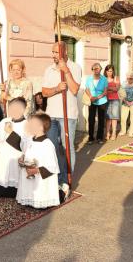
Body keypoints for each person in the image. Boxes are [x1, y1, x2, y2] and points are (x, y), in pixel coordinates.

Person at [42, 42, 82, 190]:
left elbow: (74, 89)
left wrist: (67, 72)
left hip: (68, 115)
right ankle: (56, 176)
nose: (53, 55)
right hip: (51, 115)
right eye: (52, 52)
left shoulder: (75, 67)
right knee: (52, 146)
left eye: (56, 52)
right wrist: (57, 89)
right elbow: (44, 92)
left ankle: (67, 179)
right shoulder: (49, 69)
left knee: (67, 147)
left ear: (65, 52)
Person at [16, 113, 60, 208]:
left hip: (40, 177)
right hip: (30, 173)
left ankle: (54, 196)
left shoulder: (47, 144)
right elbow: (26, 153)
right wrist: (22, 158)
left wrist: (35, 170)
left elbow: (52, 166)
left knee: (40, 203)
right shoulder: (30, 140)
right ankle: (29, 198)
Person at [84, 62, 108, 144]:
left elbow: (105, 92)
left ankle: (99, 138)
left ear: (100, 69)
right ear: (92, 70)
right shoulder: (89, 79)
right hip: (92, 101)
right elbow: (86, 89)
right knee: (91, 119)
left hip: (102, 101)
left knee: (101, 120)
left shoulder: (104, 79)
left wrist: (97, 97)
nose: (96, 70)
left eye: (97, 68)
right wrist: (91, 97)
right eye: (94, 69)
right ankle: (91, 138)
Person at [119, 72, 133, 138]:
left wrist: (132, 102)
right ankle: (123, 131)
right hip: (125, 102)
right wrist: (126, 101)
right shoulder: (124, 83)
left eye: (131, 78)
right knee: (123, 117)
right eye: (128, 78)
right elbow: (121, 93)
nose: (129, 79)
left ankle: (131, 132)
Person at [104, 65, 121, 141]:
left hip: (115, 99)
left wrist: (107, 88)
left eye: (111, 71)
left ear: (113, 71)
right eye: (108, 71)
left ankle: (114, 133)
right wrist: (111, 88)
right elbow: (101, 89)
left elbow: (116, 89)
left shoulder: (116, 78)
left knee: (114, 117)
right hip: (106, 99)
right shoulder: (103, 79)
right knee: (108, 118)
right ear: (105, 71)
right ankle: (107, 133)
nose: (109, 72)